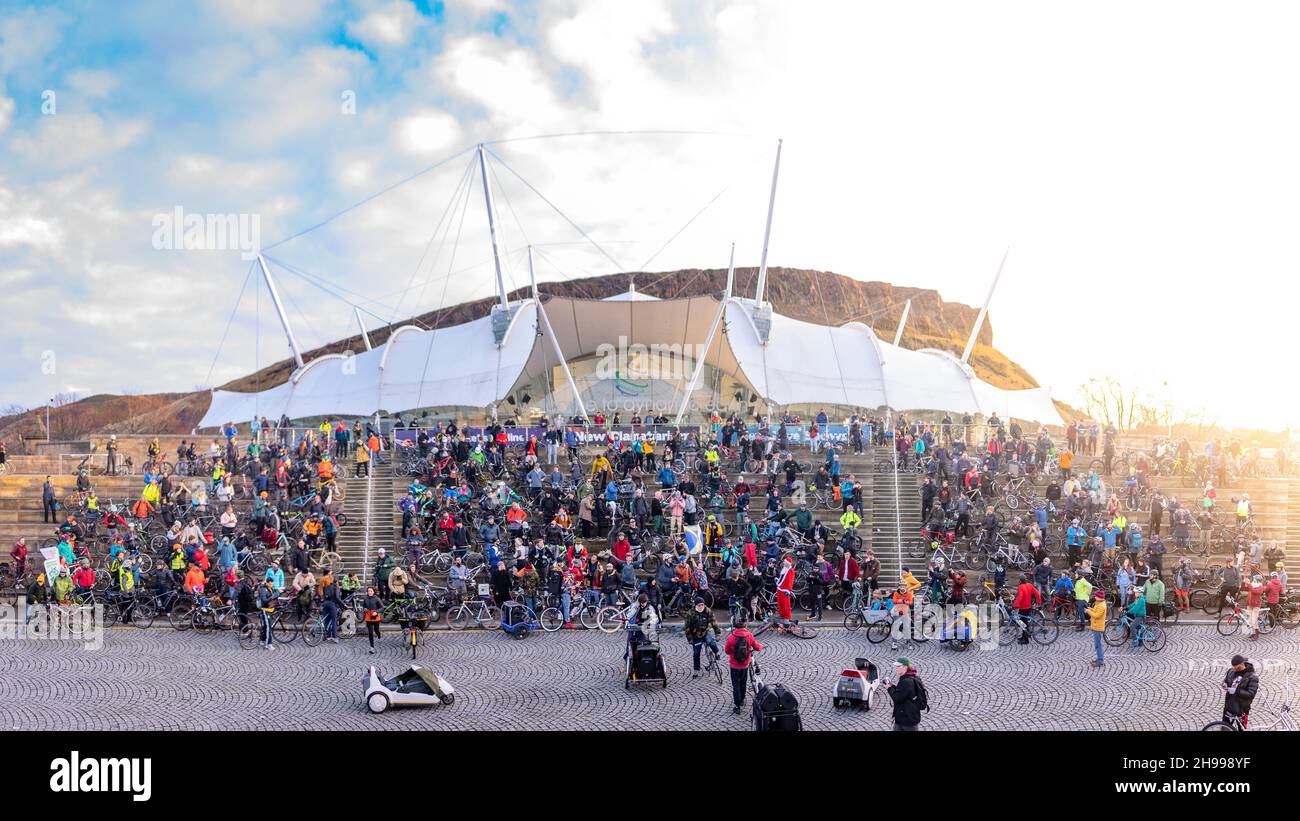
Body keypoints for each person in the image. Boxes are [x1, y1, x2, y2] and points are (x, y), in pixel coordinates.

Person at [723, 616, 763, 715]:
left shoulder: (731, 637)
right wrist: (761, 646)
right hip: (745, 665)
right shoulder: (749, 635)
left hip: (734, 665)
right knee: (743, 682)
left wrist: (733, 654)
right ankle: (742, 699)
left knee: (735, 684)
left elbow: (726, 650)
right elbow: (757, 647)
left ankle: (737, 706)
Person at [684, 597, 722, 678]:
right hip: (696, 635)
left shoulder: (708, 611)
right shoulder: (690, 613)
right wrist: (690, 639)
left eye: (702, 605)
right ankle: (696, 670)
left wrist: (717, 633)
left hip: (705, 632)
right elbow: (687, 628)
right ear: (696, 605)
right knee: (696, 653)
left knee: (711, 642)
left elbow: (713, 622)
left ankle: (716, 652)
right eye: (699, 605)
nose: (701, 606)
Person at [885, 657, 926, 731]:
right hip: (905, 716)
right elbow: (903, 692)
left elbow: (897, 698)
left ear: (905, 667)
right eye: (896, 666)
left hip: (907, 719)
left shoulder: (906, 682)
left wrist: (889, 688)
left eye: (898, 666)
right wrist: (892, 686)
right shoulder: (911, 677)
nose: (896, 668)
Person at [1220, 655, 1259, 726]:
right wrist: (1224, 684)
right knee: (1225, 727)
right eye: (1233, 667)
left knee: (1241, 728)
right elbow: (1225, 681)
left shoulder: (1252, 677)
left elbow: (1251, 694)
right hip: (1229, 705)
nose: (1234, 669)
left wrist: (1236, 691)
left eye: (1236, 667)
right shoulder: (1231, 671)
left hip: (1242, 708)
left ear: (1242, 664)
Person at [1085, 590, 1107, 667]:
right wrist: (1090, 609)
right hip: (1096, 626)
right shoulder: (1099, 603)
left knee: (1098, 645)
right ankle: (1099, 659)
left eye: (1095, 596)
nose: (1094, 597)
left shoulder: (1101, 605)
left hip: (1098, 628)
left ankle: (1100, 660)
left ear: (1099, 597)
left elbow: (1097, 615)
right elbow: (1095, 610)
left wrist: (1088, 611)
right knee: (1097, 644)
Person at [362, 586, 383, 654]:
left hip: (375, 616)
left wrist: (376, 612)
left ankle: (378, 634)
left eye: (371, 591)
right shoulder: (365, 599)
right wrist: (364, 609)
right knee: (370, 632)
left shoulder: (377, 599)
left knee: (376, 630)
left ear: (373, 592)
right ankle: (372, 647)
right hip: (368, 616)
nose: (369, 592)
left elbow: (382, 607)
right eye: (368, 591)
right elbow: (364, 606)